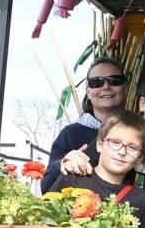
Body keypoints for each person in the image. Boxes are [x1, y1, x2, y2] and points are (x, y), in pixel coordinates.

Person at [42, 57, 127, 192]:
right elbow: (46, 188)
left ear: (125, 87)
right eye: (96, 82)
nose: (106, 86)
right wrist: (63, 164)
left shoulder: (137, 133)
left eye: (114, 80)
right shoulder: (70, 134)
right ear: (88, 91)